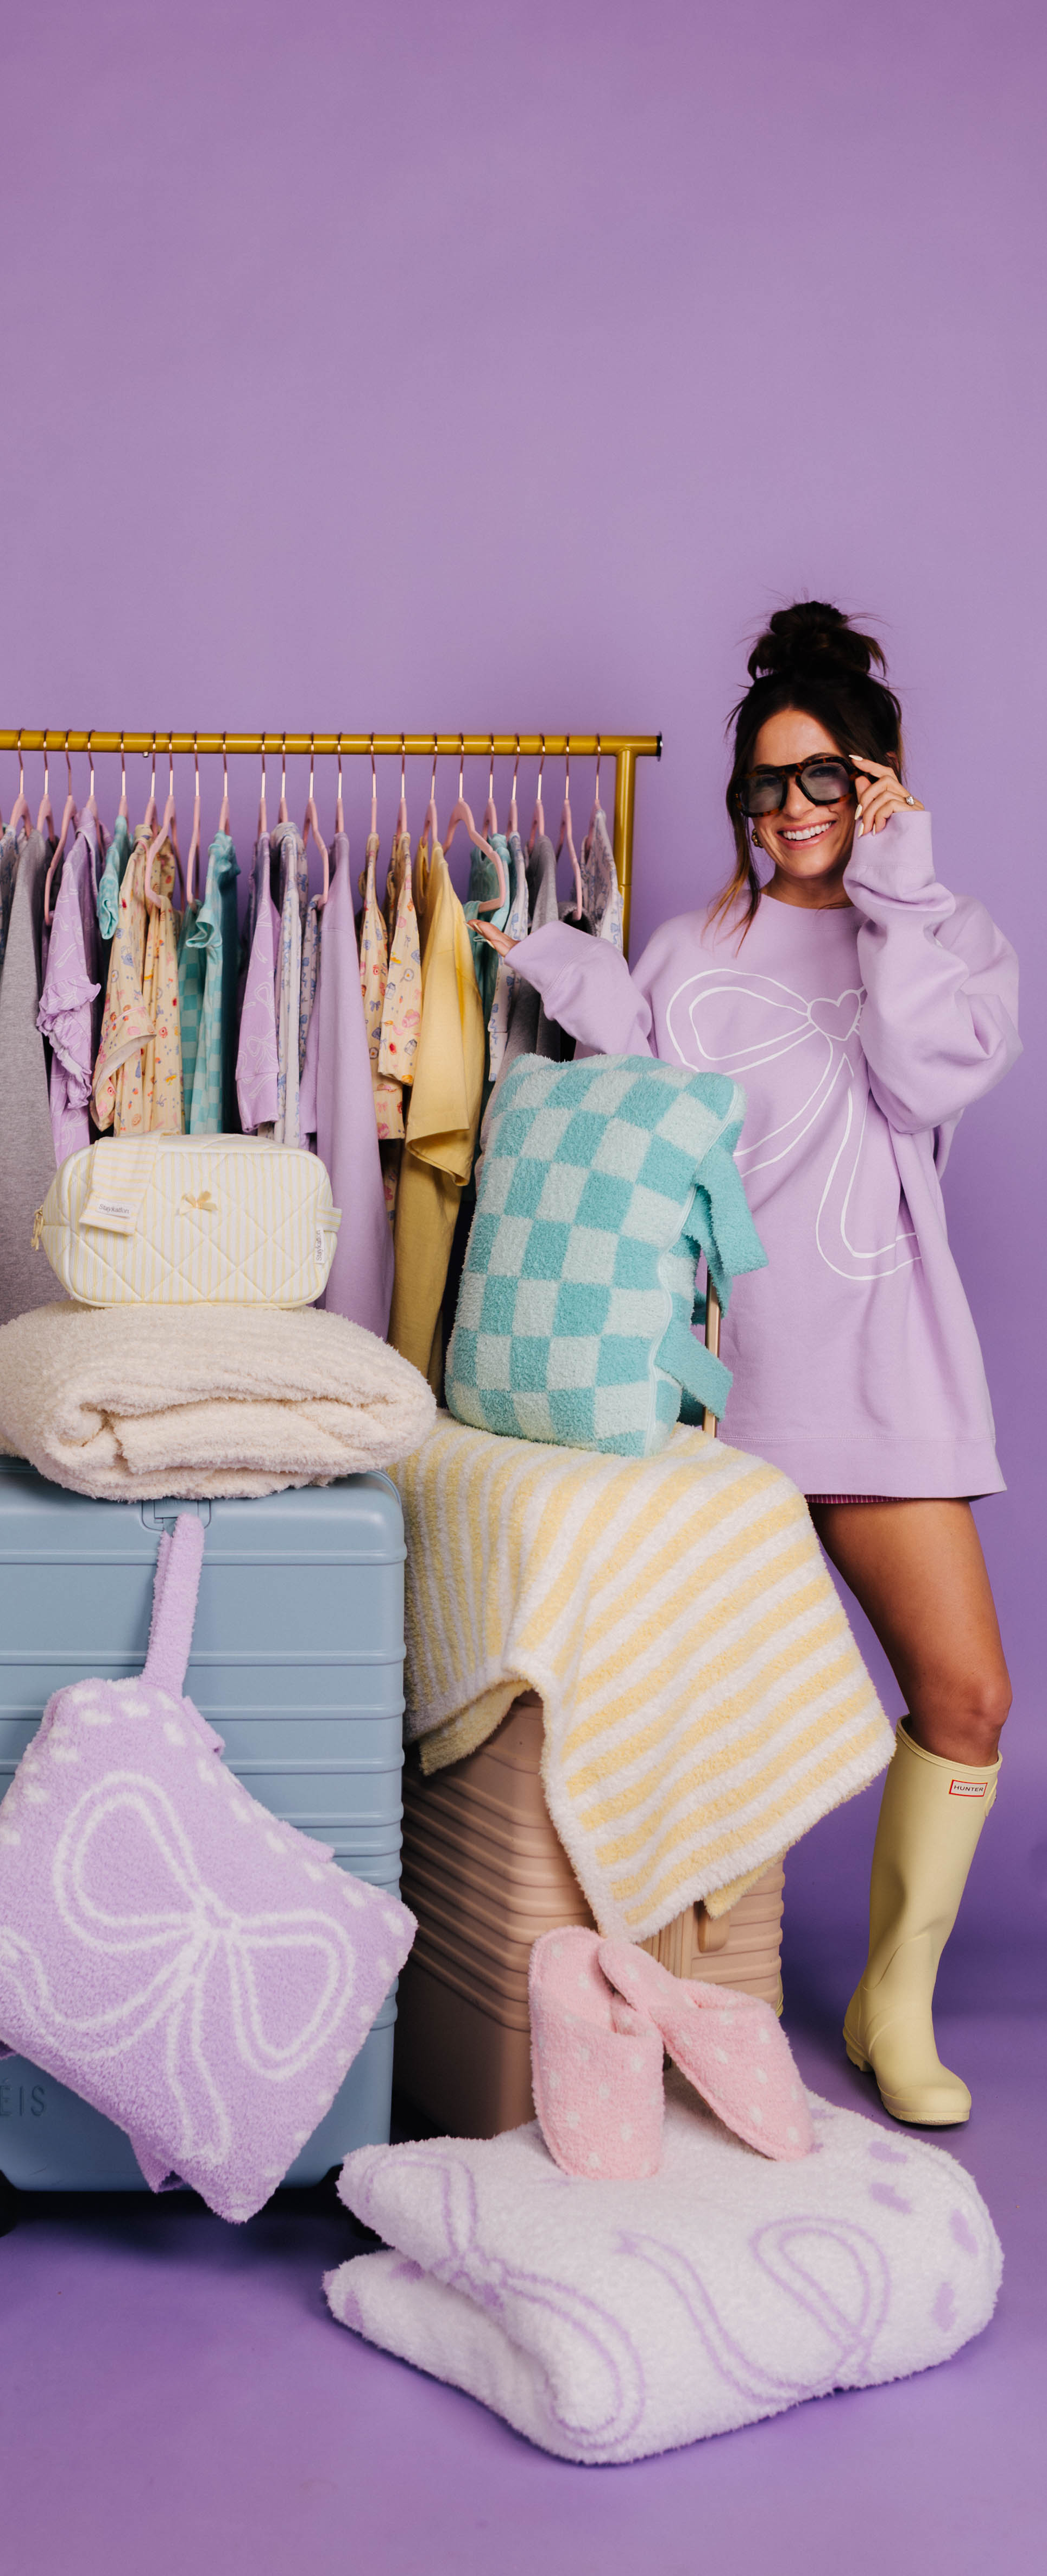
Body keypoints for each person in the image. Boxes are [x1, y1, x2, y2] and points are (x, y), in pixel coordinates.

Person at [478, 601, 1019, 2126]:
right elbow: (646, 1133)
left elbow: (921, 1085)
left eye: (823, 780)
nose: (790, 814)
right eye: (764, 789)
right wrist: (577, 982)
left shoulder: (953, 942)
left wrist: (902, 895)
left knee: (964, 1698)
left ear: (885, 781)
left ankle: (891, 2003)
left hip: (881, 1378)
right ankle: (685, 1995)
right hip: (710, 1395)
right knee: (703, 1713)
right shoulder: (694, 942)